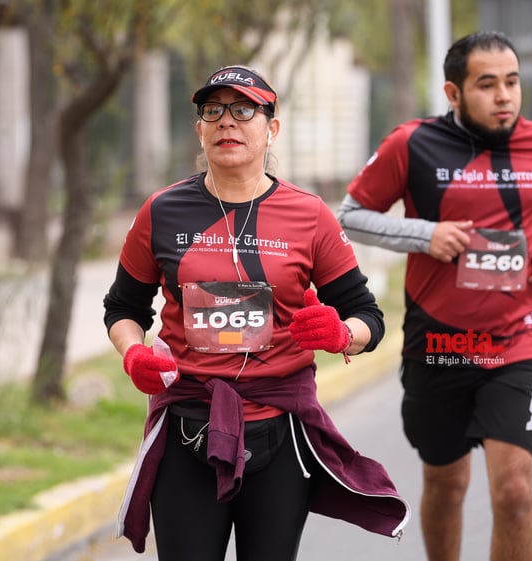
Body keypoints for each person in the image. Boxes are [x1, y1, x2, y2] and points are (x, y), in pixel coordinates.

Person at [103, 65, 408, 561]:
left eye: (244, 110)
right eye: (213, 111)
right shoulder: (161, 211)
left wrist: (338, 333)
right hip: (187, 428)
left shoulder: (310, 216)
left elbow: (368, 319)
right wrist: (133, 351)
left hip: (281, 434)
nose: (228, 122)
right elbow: (122, 307)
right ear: (198, 128)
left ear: (272, 127)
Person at [337, 31, 532, 561]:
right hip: (440, 343)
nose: (505, 97)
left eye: (512, 82)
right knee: (446, 484)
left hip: (517, 339)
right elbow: (350, 215)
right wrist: (427, 234)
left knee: (515, 491)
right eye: (487, 84)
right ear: (453, 93)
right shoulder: (412, 144)